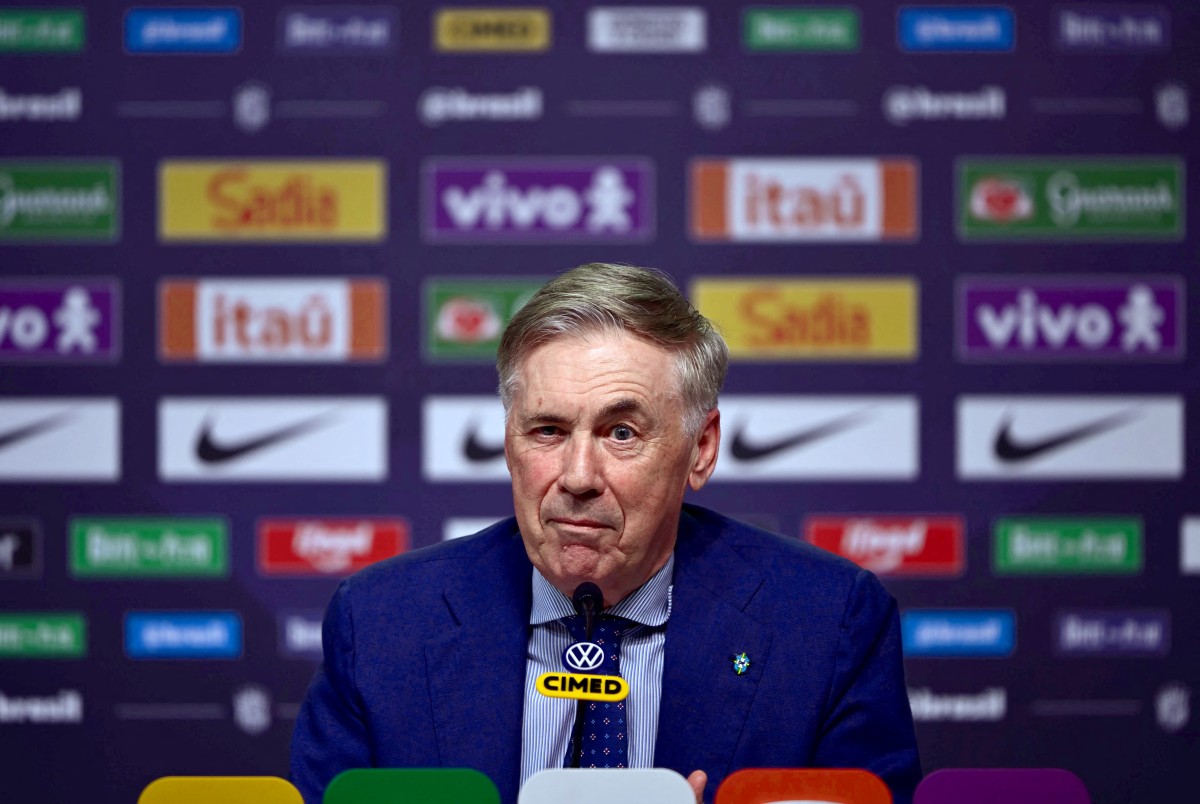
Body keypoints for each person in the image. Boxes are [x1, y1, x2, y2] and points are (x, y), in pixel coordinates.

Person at [290, 263, 921, 803]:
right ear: (508, 443)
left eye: (621, 433)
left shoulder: (827, 625)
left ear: (701, 449)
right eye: (548, 430)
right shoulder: (381, 625)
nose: (578, 477)